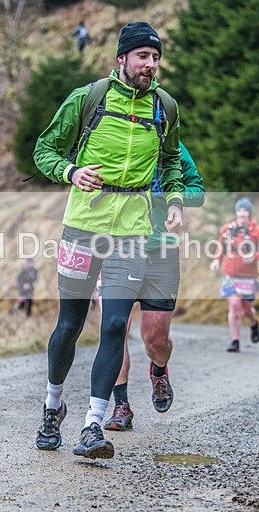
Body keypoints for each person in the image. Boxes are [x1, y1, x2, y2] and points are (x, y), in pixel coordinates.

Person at [33, 21, 184, 459]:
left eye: (155, 58)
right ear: (122, 58)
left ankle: (93, 425)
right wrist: (71, 172)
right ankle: (53, 405)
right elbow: (45, 149)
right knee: (70, 326)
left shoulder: (166, 107)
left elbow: (172, 160)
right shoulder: (89, 98)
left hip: (133, 232)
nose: (150, 65)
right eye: (142, 56)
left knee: (116, 324)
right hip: (83, 226)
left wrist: (173, 201)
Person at [104, 142, 204, 431]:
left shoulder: (172, 147)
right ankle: (120, 405)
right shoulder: (115, 136)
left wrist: (173, 199)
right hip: (117, 247)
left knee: (155, 339)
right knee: (115, 328)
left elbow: (198, 191)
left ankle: (159, 370)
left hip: (161, 250)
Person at [210, 197, 259, 353]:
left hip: (248, 276)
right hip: (229, 275)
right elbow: (220, 246)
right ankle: (235, 341)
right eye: (239, 210)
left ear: (249, 213)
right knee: (234, 305)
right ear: (236, 212)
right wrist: (216, 260)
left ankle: (253, 323)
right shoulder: (228, 228)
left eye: (245, 210)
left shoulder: (256, 230)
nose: (242, 213)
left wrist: (253, 256)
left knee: (247, 309)